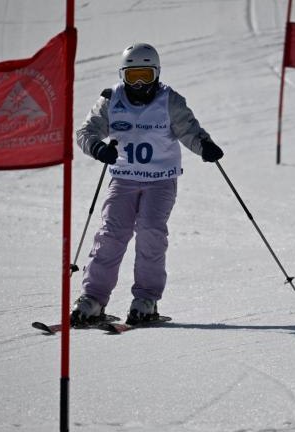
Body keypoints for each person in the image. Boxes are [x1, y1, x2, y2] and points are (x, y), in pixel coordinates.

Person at [72, 42, 223, 326]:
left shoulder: (169, 100)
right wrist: (98, 148)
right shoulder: (111, 99)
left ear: (157, 73)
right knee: (111, 235)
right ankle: (92, 299)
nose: (139, 83)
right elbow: (85, 131)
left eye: (146, 75)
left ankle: (146, 299)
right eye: (133, 76)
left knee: (151, 233)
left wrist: (204, 146)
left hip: (160, 181)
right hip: (123, 179)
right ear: (123, 75)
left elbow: (189, 130)